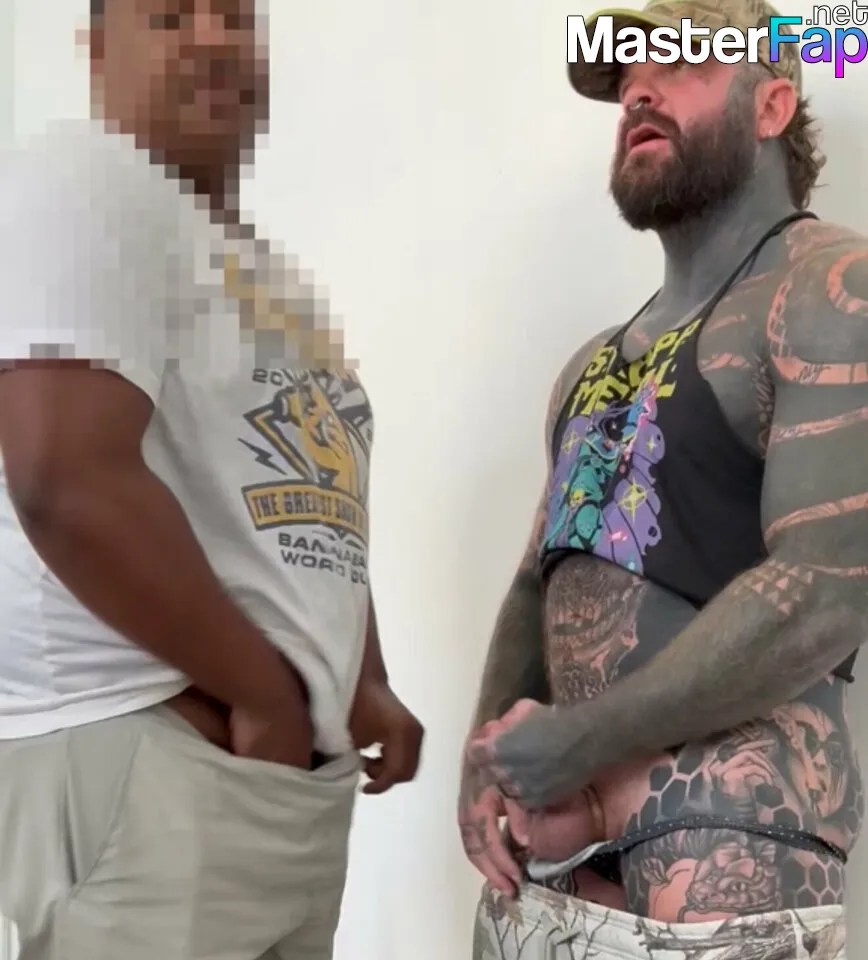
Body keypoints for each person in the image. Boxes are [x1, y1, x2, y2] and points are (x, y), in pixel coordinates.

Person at [0, 2, 423, 958]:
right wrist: (268, 695)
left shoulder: (260, 274)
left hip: (261, 775)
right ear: (98, 53)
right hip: (153, 755)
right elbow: (65, 480)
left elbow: (297, 497)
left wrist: (362, 677)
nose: (212, 38)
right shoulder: (85, 184)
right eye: (169, 15)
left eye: (234, 17)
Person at [460, 1, 865, 958]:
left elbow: (827, 590)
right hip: (554, 858)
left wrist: (582, 739)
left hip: (726, 842)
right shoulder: (593, 360)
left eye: (680, 64)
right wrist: (486, 761)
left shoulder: (828, 287)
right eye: (627, 80)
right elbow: (536, 583)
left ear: (770, 106)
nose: (639, 91)